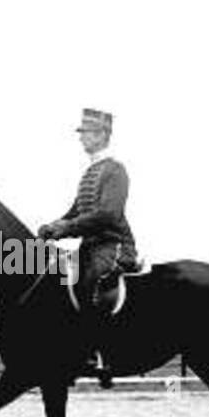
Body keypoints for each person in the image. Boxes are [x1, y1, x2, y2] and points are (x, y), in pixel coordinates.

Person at [38, 109, 140, 386]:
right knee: (56, 277)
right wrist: (53, 226)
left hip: (114, 242)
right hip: (90, 244)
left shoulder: (115, 170)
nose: (82, 138)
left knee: (93, 281)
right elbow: (76, 210)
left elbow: (108, 214)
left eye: (88, 133)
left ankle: (99, 355)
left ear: (103, 135)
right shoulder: (91, 171)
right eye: (82, 133)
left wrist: (66, 228)